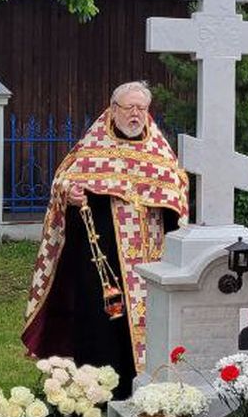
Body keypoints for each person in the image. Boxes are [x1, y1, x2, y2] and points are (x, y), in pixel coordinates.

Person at [23, 82, 189, 398]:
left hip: (148, 254)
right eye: (129, 107)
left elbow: (177, 190)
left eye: (142, 108)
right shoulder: (93, 145)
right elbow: (63, 181)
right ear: (113, 109)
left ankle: (144, 385)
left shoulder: (158, 150)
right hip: (100, 255)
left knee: (148, 319)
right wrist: (70, 194)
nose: (135, 114)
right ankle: (97, 391)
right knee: (99, 320)